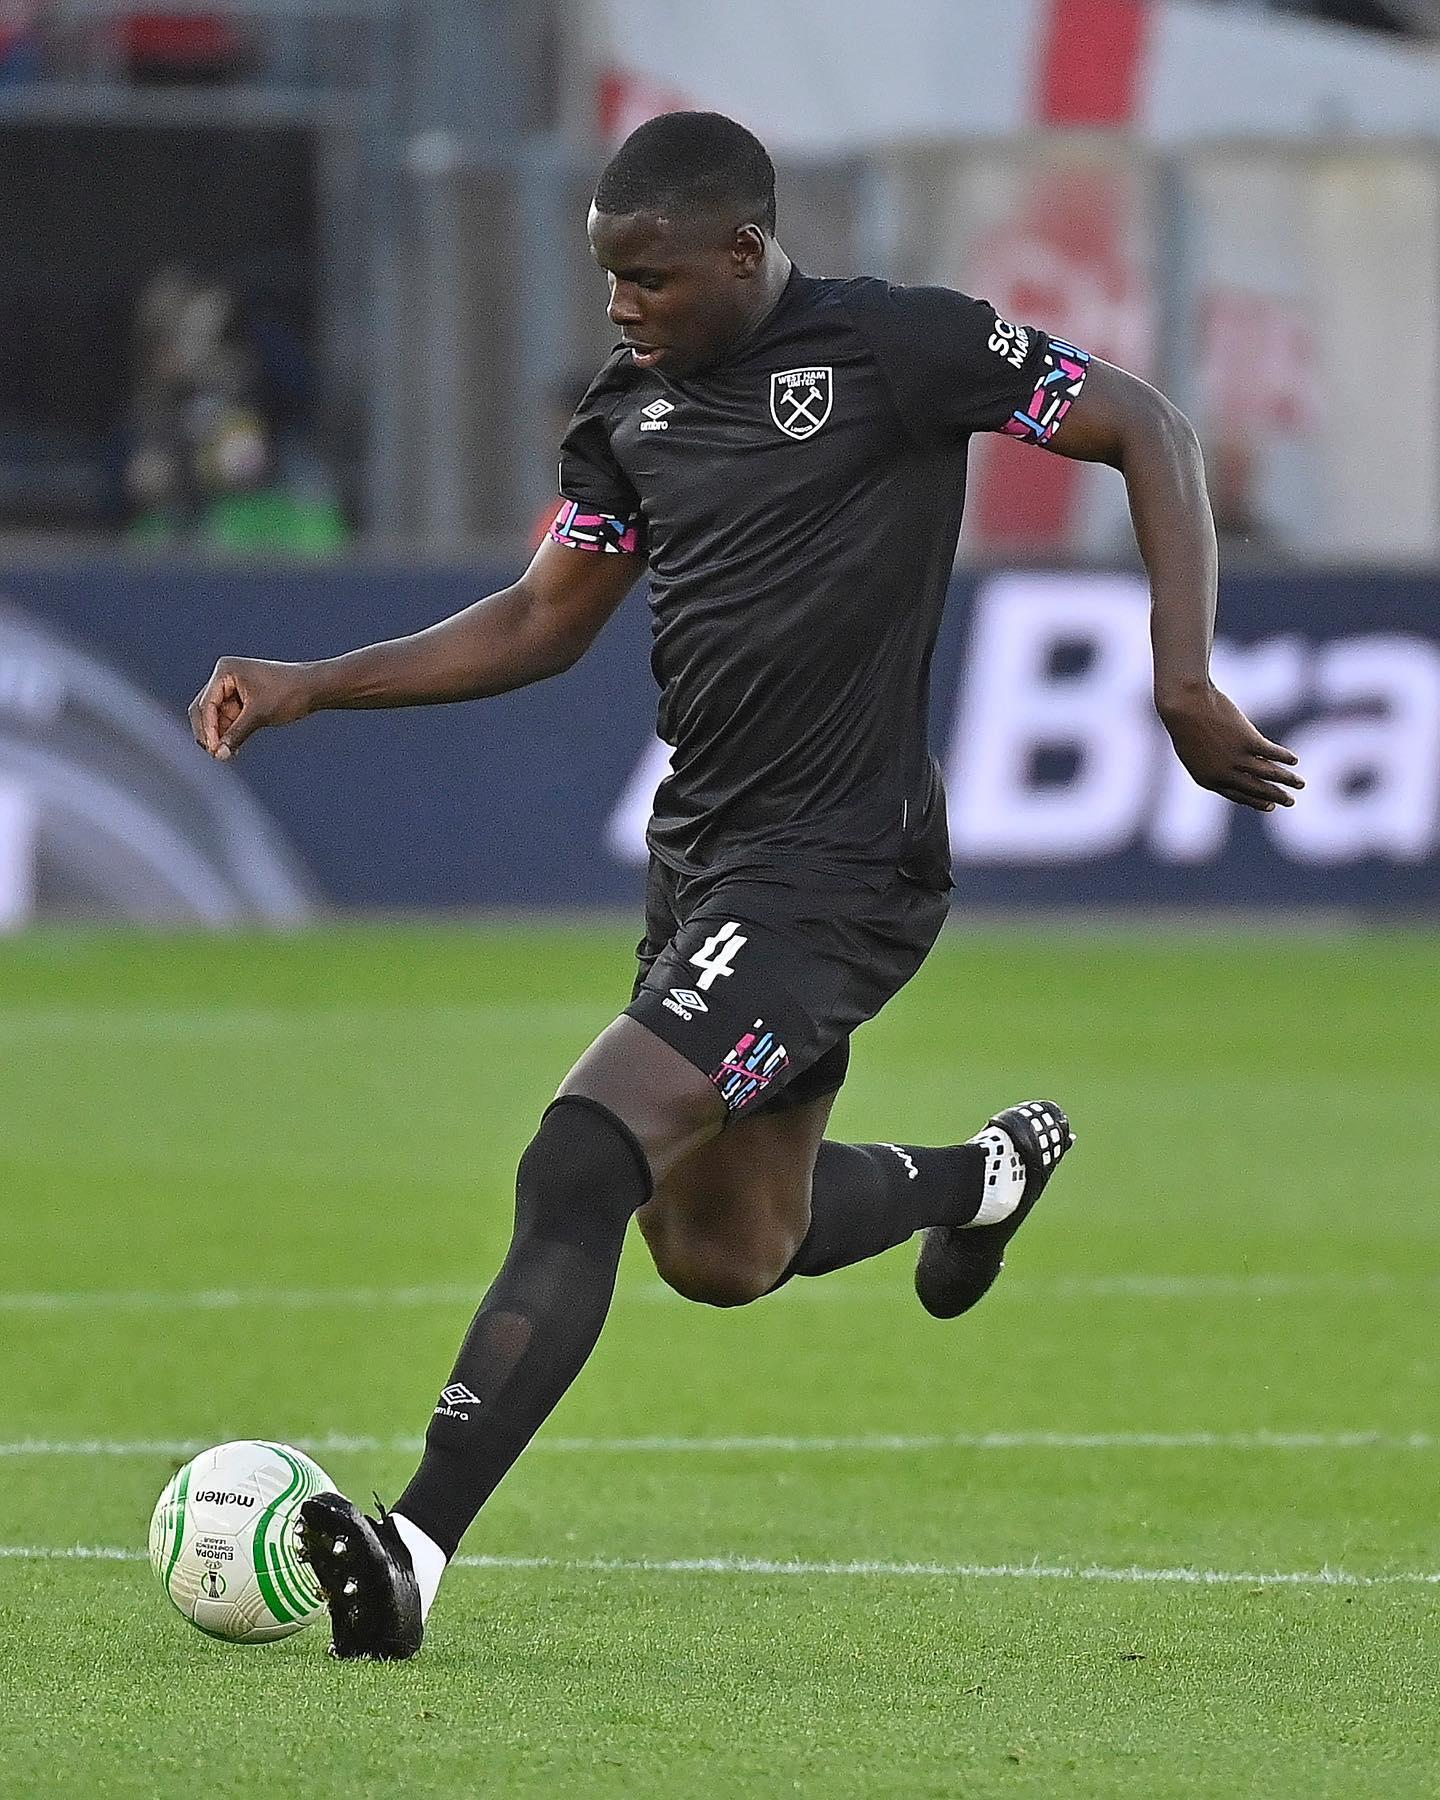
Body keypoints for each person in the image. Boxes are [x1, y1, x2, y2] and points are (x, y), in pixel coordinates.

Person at [188, 112, 1305, 1661]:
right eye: (606, 277)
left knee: (581, 1156)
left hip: (837, 870)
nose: (622, 305)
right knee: (724, 1251)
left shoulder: (899, 349)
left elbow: (1147, 425)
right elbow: (541, 620)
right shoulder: (628, 412)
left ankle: (412, 1550)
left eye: (648, 276)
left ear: (743, 248)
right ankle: (979, 1181)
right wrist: (316, 682)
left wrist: (1181, 680)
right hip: (705, 864)